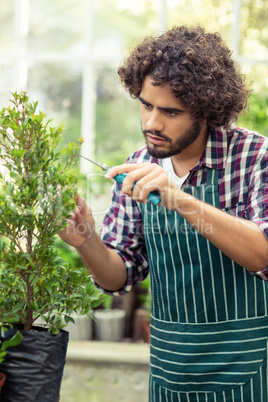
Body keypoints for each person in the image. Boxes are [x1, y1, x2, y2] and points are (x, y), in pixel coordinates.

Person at [59, 25, 268, 401]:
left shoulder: (255, 158)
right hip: (171, 369)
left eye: (170, 111)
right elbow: (117, 276)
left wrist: (180, 198)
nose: (152, 123)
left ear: (206, 111)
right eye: (146, 105)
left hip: (250, 368)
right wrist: (87, 241)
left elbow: (263, 253)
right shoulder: (137, 165)